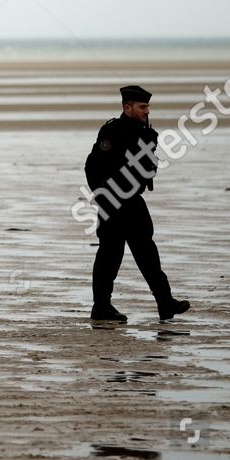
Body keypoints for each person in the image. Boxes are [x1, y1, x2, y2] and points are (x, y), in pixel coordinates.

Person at [86, 84, 189, 323]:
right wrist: (102, 195)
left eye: (148, 107)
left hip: (133, 201)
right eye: (142, 107)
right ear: (127, 107)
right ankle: (101, 307)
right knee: (109, 257)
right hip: (112, 202)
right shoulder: (112, 131)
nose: (147, 111)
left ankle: (165, 302)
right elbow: (93, 167)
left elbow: (148, 169)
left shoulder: (147, 133)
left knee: (147, 254)